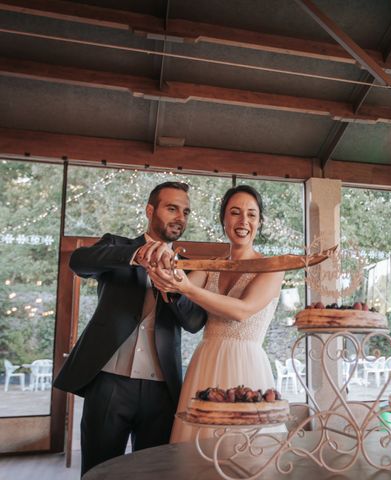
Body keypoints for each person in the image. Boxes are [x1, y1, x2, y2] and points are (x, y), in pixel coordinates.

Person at [53, 182, 207, 475]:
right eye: (172, 208)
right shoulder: (117, 246)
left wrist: (173, 288)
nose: (180, 217)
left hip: (161, 390)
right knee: (99, 471)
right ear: (150, 210)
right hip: (108, 384)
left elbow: (195, 323)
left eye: (186, 211)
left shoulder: (188, 268)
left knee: (153, 473)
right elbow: (79, 262)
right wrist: (136, 255)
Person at [148, 185, 285, 443]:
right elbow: (178, 289)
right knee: (197, 445)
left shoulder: (272, 268)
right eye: (235, 212)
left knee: (243, 445)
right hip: (206, 362)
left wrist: (185, 286)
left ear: (260, 222)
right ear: (224, 219)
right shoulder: (211, 266)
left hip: (247, 362)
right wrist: (164, 274)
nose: (243, 221)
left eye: (251, 214)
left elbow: (242, 311)